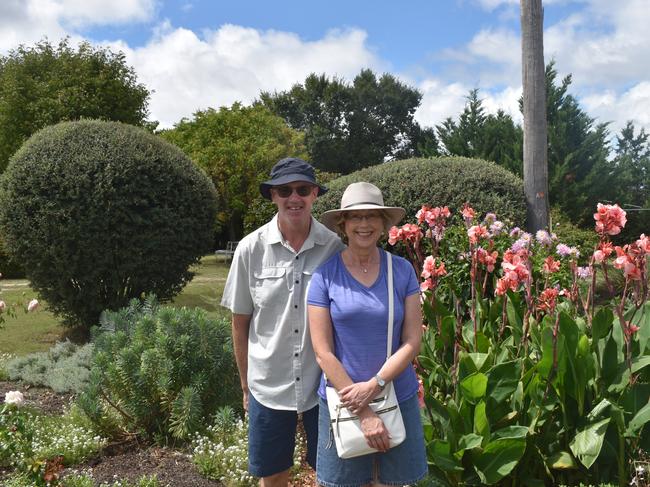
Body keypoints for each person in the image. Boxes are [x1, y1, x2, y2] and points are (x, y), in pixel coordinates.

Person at [221, 157, 345, 487]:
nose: (294, 198)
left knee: (330, 472)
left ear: (315, 194)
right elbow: (239, 322)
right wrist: (246, 386)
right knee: (273, 474)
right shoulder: (250, 249)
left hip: (322, 384)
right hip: (268, 384)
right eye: (284, 190)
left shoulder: (334, 248)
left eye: (302, 189)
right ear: (272, 196)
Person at [307, 182, 427, 487]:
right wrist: (361, 408)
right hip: (341, 402)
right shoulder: (325, 276)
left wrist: (374, 386)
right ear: (343, 225)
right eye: (355, 217)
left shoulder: (402, 271)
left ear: (384, 224)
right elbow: (323, 351)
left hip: (396, 396)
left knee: (394, 483)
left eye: (371, 216)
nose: (364, 224)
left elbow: (412, 341)